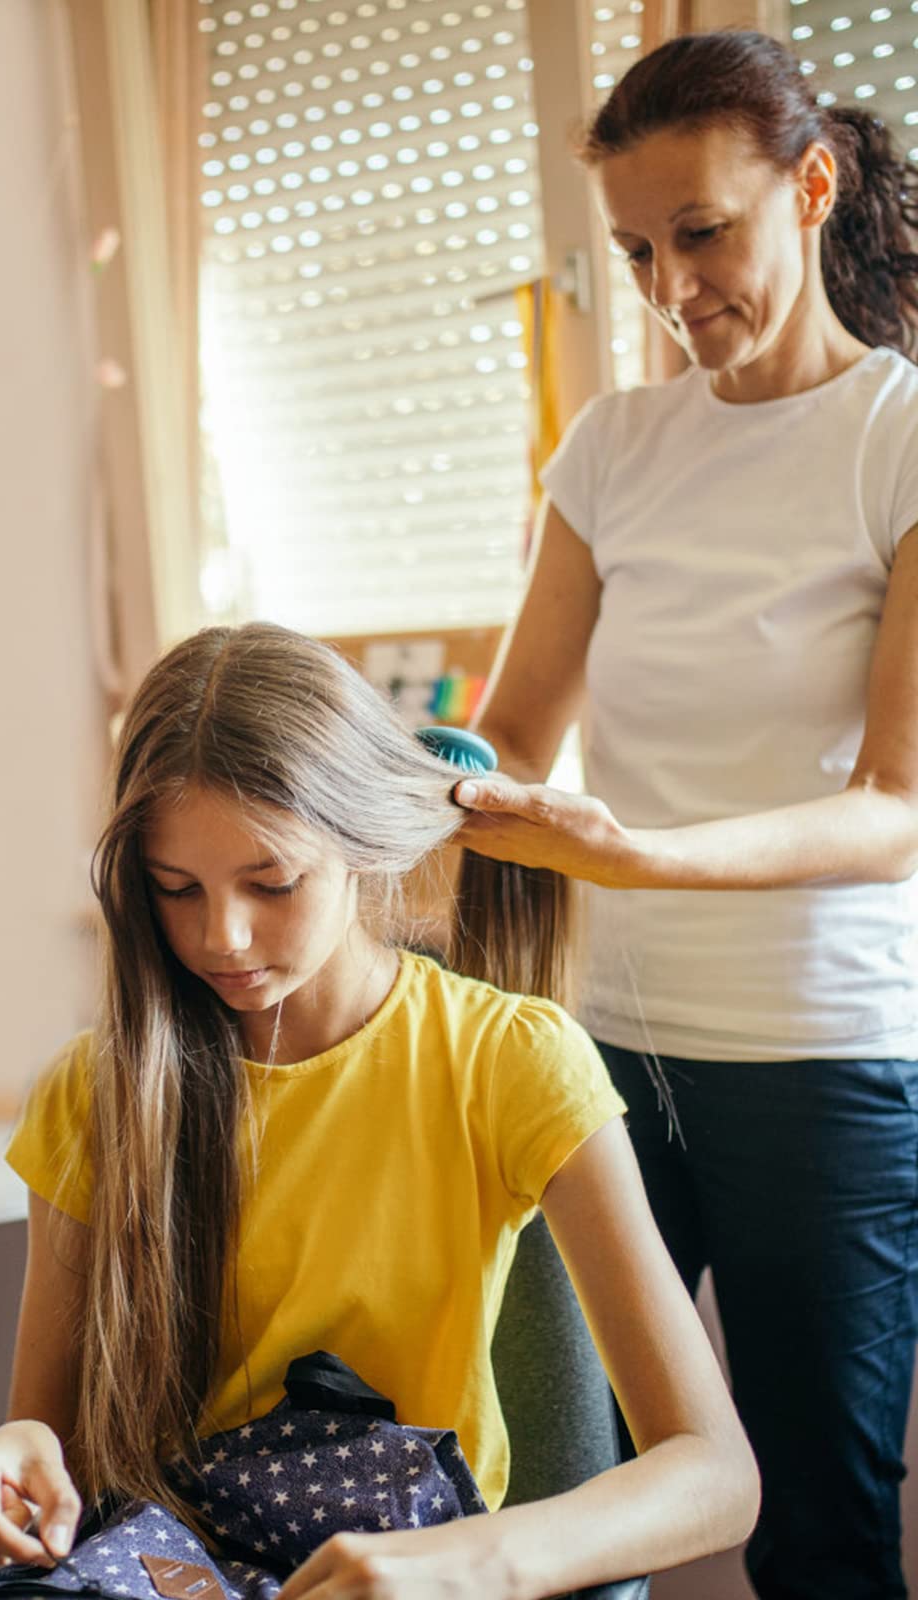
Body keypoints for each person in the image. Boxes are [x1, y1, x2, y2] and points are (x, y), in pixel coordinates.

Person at [0, 623, 757, 1600]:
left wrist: (476, 1560)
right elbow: (53, 1448)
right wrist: (11, 1457)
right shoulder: (95, 1091)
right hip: (164, 1564)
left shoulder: (509, 1061)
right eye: (176, 890)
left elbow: (714, 1475)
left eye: (271, 882)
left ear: (364, 846)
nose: (221, 936)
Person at [452, 30, 918, 1599]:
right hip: (604, 1058)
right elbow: (514, 735)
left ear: (813, 184)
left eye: (701, 234)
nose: (670, 288)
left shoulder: (896, 440)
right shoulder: (614, 450)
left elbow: (896, 807)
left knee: (820, 1533)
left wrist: (640, 854)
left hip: (823, 1065)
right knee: (569, 1500)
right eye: (638, 251)